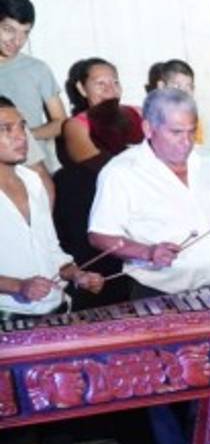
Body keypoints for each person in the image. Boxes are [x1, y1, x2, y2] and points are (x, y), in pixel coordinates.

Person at [87, 88, 210, 444]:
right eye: (176, 133)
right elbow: (100, 235)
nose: (186, 142)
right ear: (149, 128)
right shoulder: (122, 171)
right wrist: (145, 250)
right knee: (169, 387)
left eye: (191, 132)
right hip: (158, 294)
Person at [0, 95, 123, 444]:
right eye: (7, 128)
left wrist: (75, 272)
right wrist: (14, 283)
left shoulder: (34, 181)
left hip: (50, 309)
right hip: (8, 318)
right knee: (10, 427)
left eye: (20, 126)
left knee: (58, 411)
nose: (20, 135)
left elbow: (50, 248)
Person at [54, 58, 144, 307]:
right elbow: (101, 166)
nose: (110, 89)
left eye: (114, 82)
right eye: (100, 83)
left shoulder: (137, 112)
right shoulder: (76, 125)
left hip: (139, 201)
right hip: (96, 201)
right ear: (82, 89)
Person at [0, 0, 69, 173]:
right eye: (9, 30)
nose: (17, 40)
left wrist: (26, 134)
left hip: (37, 173)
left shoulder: (37, 69)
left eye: (25, 33)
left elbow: (61, 122)